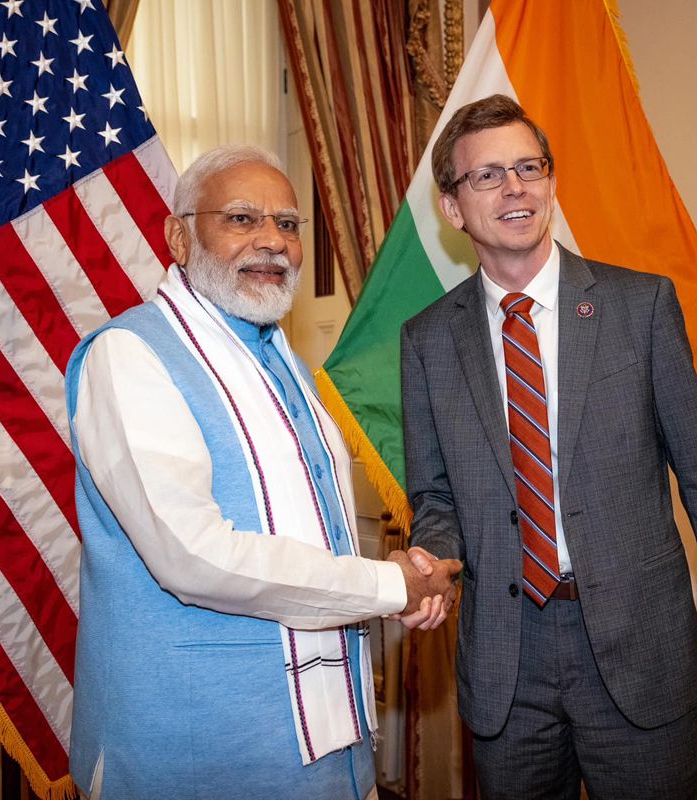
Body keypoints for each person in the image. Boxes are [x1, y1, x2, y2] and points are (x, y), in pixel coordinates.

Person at [400, 94, 697, 799]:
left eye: (529, 168)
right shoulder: (426, 341)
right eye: (487, 176)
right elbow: (436, 497)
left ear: (549, 181)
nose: (515, 188)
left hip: (641, 651)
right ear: (452, 208)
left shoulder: (640, 307)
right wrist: (432, 560)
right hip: (507, 663)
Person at [65, 144, 460, 799]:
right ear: (179, 237)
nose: (272, 241)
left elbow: (309, 527)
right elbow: (193, 557)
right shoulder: (130, 357)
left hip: (325, 742)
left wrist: (393, 568)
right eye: (242, 219)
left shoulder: (283, 360)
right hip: (198, 746)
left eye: (288, 223)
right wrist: (388, 586)